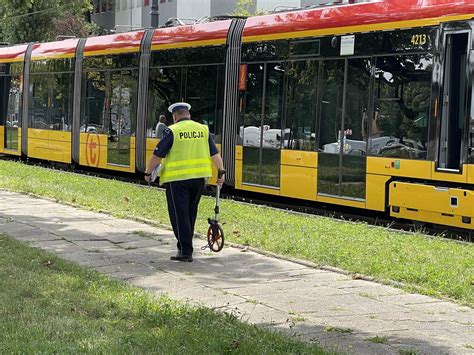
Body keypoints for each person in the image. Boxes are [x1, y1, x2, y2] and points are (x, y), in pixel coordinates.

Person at [145, 102, 225, 262]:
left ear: (175, 116)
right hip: (199, 180)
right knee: (190, 213)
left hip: (177, 181)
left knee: (178, 215)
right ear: (188, 114)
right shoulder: (202, 129)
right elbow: (214, 153)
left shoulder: (172, 130)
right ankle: (184, 247)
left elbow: (157, 155)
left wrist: (148, 173)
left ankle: (186, 251)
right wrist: (221, 172)